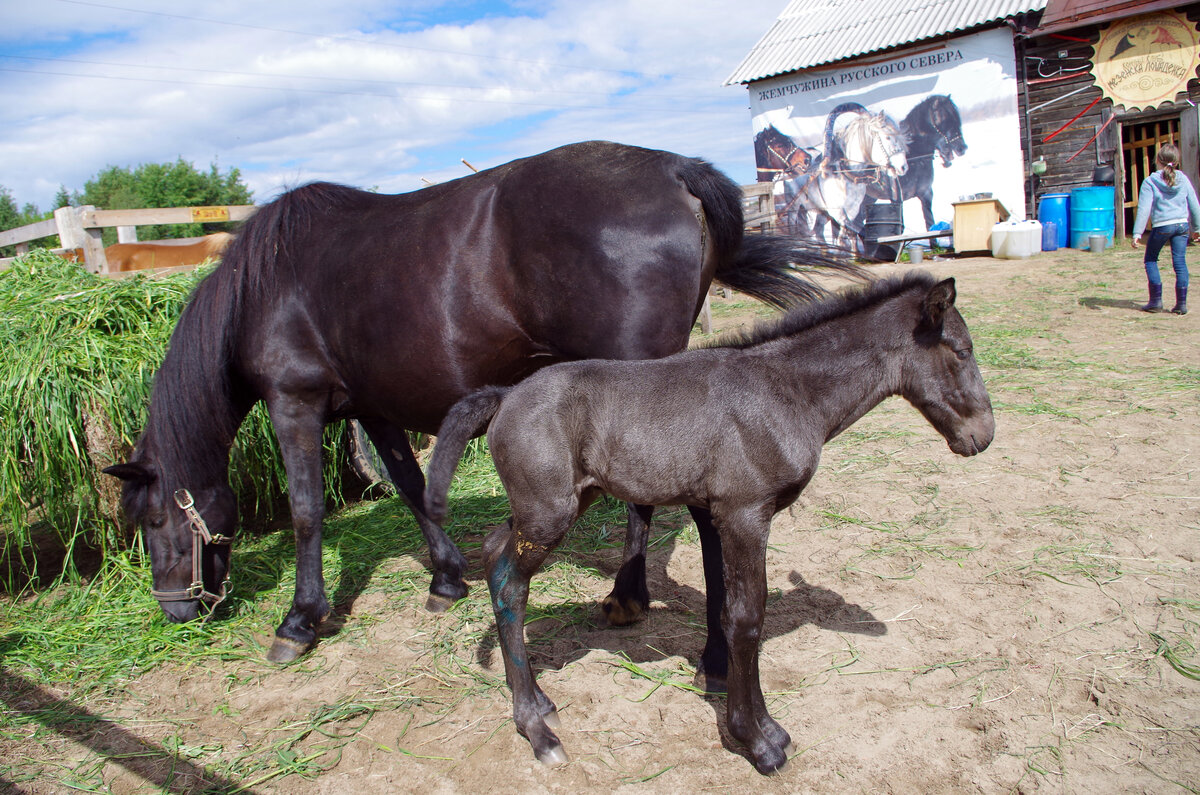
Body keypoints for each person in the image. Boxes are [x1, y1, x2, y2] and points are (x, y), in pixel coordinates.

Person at [1131, 143, 1200, 314]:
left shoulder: (1150, 181)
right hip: (1182, 224)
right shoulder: (1183, 179)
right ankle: (1181, 305)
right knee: (1180, 263)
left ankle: (1155, 302)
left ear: (1157, 160)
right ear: (1176, 161)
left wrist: (1137, 233)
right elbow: (1194, 204)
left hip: (1163, 225)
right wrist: (1197, 227)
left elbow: (1144, 208)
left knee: (1151, 259)